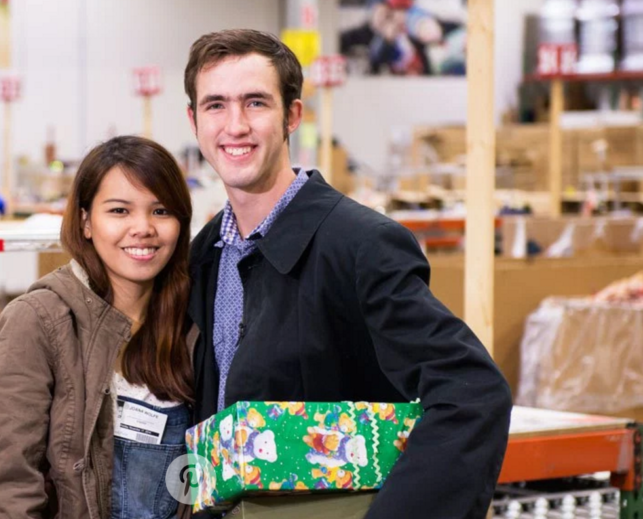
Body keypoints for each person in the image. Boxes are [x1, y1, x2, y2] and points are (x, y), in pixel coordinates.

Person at [184, 29, 512, 518]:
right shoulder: (208, 252)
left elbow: (472, 393)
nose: (235, 125)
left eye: (255, 103)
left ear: (292, 115)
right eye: (215, 105)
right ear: (193, 121)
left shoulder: (360, 246)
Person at [0, 136, 194, 519]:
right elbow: (9, 488)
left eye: (161, 211)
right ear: (85, 221)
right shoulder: (38, 321)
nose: (143, 228)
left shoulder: (191, 322)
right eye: (120, 211)